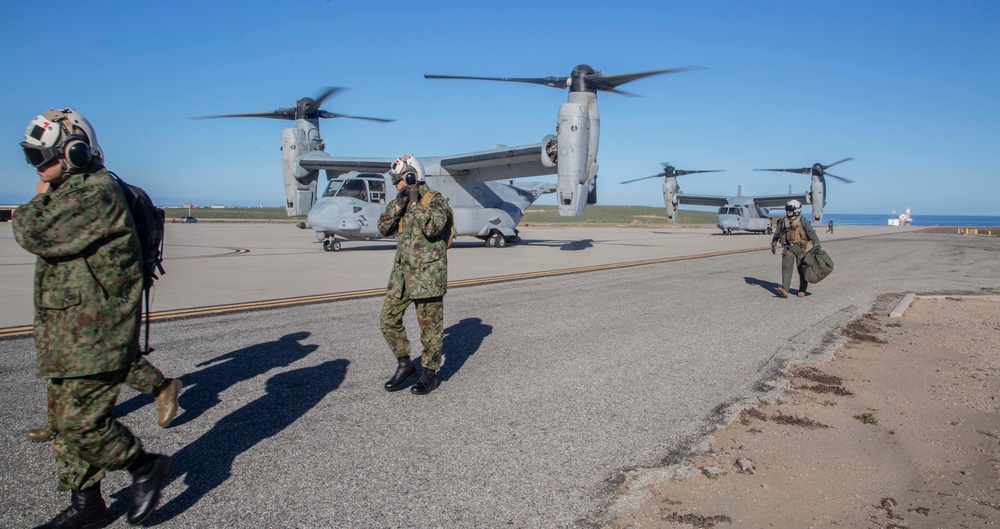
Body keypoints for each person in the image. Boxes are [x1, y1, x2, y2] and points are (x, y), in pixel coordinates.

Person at [14, 108, 171, 528]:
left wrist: (39, 196)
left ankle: (144, 467)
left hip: (95, 332)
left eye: (42, 157)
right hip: (67, 329)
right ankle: (87, 504)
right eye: (32, 158)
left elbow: (32, 230)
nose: (38, 167)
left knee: (80, 423)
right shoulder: (71, 189)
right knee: (64, 426)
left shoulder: (93, 193)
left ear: (76, 152)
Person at [378, 155, 452, 395]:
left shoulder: (435, 201)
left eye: (398, 180)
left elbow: (432, 228)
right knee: (387, 319)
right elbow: (382, 228)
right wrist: (399, 205)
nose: (395, 184)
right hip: (402, 277)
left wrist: (415, 204)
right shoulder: (402, 201)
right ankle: (405, 364)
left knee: (429, 329)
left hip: (427, 277)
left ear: (412, 177)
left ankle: (429, 375)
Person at [770, 199, 821, 298]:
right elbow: (777, 234)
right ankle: (785, 290)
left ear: (797, 210)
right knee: (786, 269)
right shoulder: (782, 221)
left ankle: (802, 289)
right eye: (787, 209)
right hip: (788, 248)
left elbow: (811, 234)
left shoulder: (803, 221)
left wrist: (816, 245)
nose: (788, 211)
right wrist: (773, 244)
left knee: (802, 270)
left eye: (790, 210)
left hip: (800, 250)